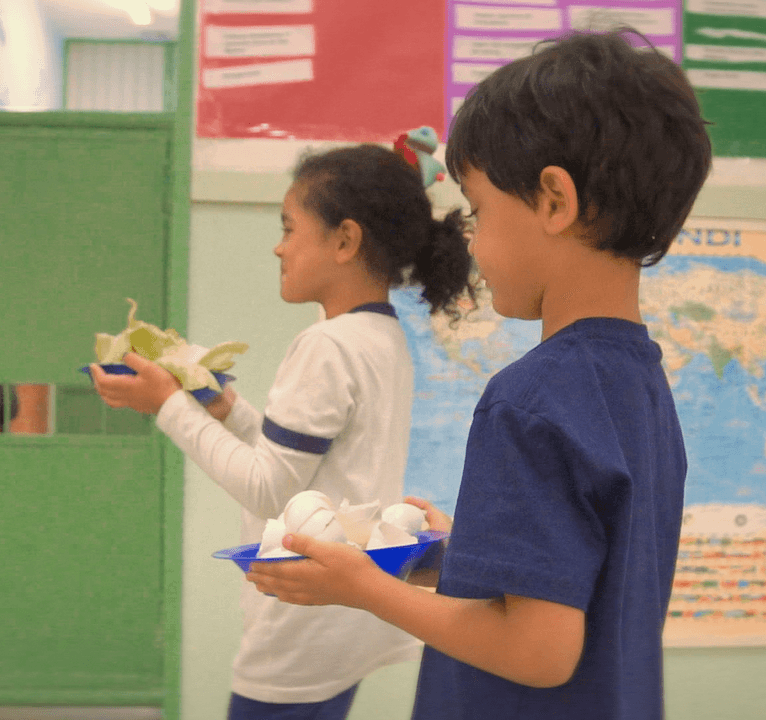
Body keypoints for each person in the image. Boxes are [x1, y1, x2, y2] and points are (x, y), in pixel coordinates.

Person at [245, 28, 712, 720]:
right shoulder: (640, 383)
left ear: (553, 200)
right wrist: (464, 556)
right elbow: (583, 578)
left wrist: (361, 587)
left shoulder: (530, 398)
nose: (473, 238)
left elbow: (538, 651)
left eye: (480, 210)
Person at [89, 144, 475, 719]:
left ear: (345, 241)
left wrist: (167, 404)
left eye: (289, 228)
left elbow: (269, 489)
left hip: (302, 624)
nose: (279, 246)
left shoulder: (326, 344)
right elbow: (304, 464)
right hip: (347, 617)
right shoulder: (381, 335)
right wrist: (226, 410)